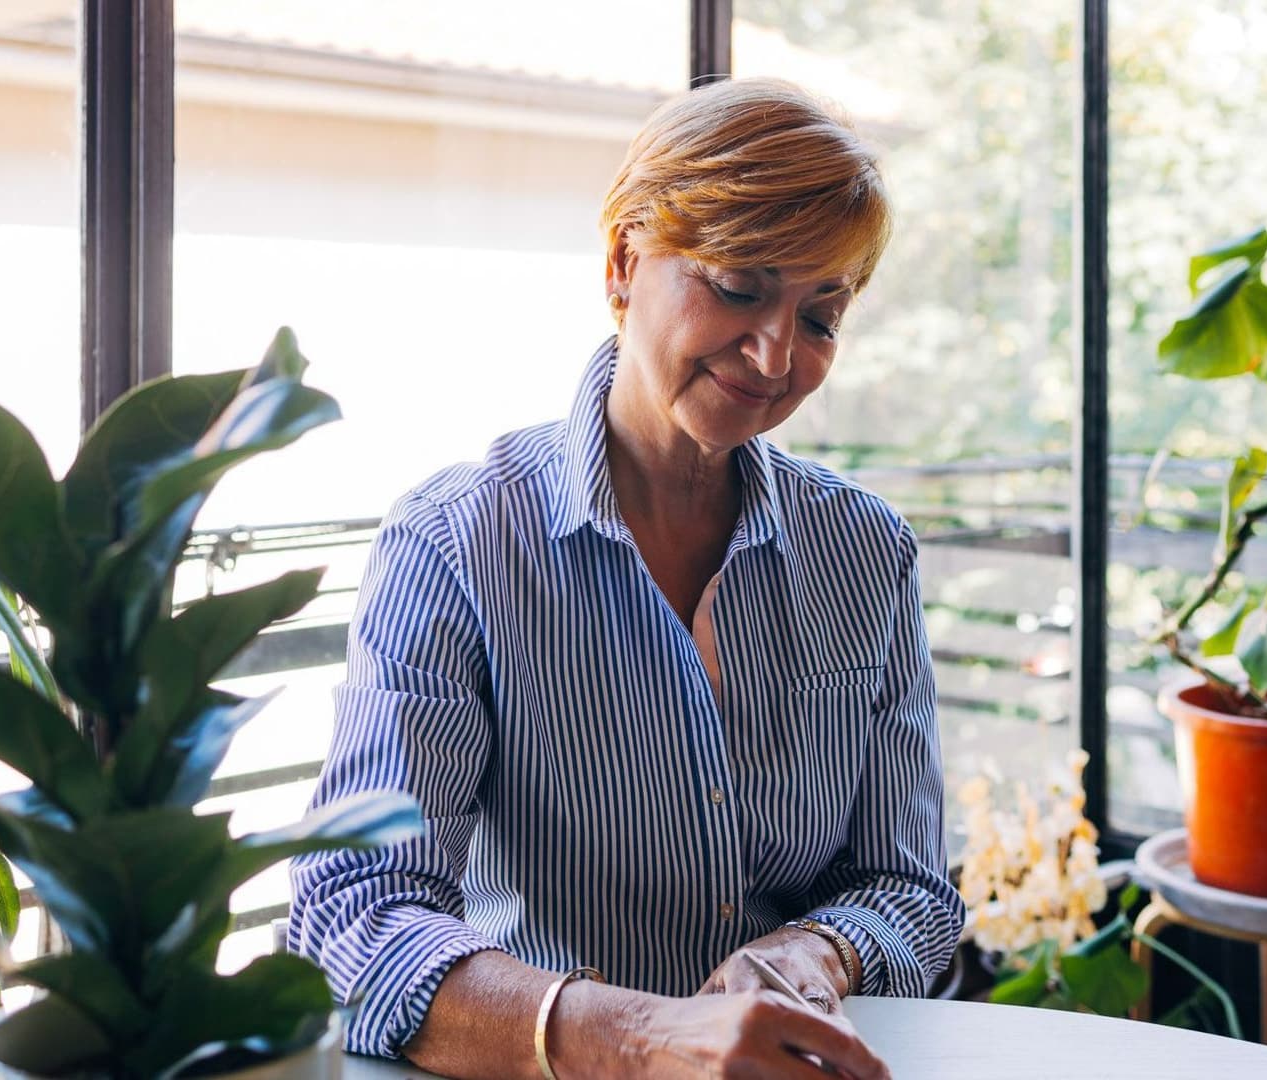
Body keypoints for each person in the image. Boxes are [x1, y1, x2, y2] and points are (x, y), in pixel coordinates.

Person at [289, 77, 961, 1080]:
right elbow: (349, 918)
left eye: (820, 317)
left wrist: (820, 949)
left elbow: (911, 889)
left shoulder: (866, 555)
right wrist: (643, 1039)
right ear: (622, 261)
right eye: (740, 285)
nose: (776, 354)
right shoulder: (457, 544)